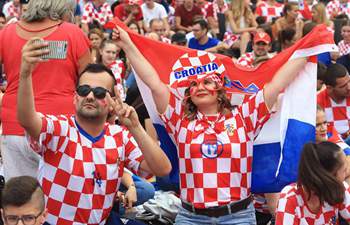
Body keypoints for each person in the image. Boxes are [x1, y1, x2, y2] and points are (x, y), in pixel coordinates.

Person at [113, 25, 307, 224]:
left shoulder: (243, 117)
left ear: (220, 88)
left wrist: (309, 48)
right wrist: (128, 45)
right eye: (194, 85)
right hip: (191, 217)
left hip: (238, 217)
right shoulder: (180, 121)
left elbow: (277, 83)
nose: (200, 87)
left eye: (207, 82)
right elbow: (153, 82)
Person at [17, 39, 172, 225]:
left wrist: (135, 127)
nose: (90, 96)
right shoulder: (59, 128)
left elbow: (162, 169)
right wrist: (25, 74)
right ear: (75, 97)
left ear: (113, 100)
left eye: (99, 92)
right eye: (84, 90)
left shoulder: (119, 135)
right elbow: (27, 120)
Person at [0, 0, 91, 181]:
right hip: (60, 126)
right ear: (62, 9)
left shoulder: (6, 33)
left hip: (14, 124)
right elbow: (89, 82)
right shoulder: (73, 32)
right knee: (59, 197)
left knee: (20, 197)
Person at [275, 142, 350, 224]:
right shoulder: (289, 199)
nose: (347, 174)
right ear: (329, 178)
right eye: (344, 170)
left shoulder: (340, 188)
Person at [317, 63, 350, 144]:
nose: (349, 87)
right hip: (332, 148)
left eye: (349, 81)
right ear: (329, 88)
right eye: (343, 86)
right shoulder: (317, 102)